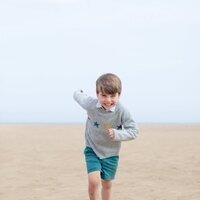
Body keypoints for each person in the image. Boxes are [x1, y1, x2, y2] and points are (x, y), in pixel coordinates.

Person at [73, 73, 139, 200]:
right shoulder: (90, 104)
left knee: (107, 184)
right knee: (94, 181)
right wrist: (79, 91)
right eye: (104, 95)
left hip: (111, 154)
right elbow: (77, 96)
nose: (108, 100)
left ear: (119, 94)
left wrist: (118, 134)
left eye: (112, 96)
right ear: (97, 94)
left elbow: (134, 131)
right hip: (92, 149)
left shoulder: (122, 111)